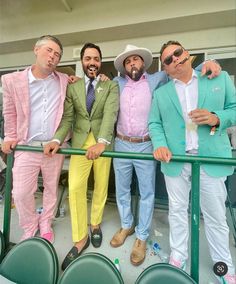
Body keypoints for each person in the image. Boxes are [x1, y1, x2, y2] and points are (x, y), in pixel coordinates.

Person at [110, 44, 222, 266]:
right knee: (121, 190)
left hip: (145, 144)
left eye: (136, 60)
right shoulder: (116, 83)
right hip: (121, 144)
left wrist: (210, 64)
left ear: (144, 63)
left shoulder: (157, 79)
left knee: (147, 192)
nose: (133, 63)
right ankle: (126, 225)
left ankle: (141, 236)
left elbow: (182, 69)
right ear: (124, 67)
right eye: (128, 61)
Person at [148, 40, 236, 283]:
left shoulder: (218, 77)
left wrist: (217, 117)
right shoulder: (161, 93)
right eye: (168, 59)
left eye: (177, 53)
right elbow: (154, 123)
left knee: (216, 215)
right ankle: (178, 254)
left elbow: (234, 109)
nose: (175, 59)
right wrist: (160, 144)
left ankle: (224, 265)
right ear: (165, 68)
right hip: (176, 161)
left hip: (210, 158)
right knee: (177, 211)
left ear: (187, 54)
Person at [44, 42, 119, 270]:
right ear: (82, 62)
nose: (92, 63)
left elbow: (110, 114)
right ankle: (80, 238)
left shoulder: (111, 85)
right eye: (88, 59)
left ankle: (95, 224)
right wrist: (57, 139)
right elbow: (68, 118)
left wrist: (102, 142)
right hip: (79, 142)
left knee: (101, 187)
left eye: (96, 59)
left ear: (100, 61)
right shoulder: (73, 86)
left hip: (102, 144)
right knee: (75, 188)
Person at [1, 35, 68, 243]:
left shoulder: (64, 80)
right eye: (49, 50)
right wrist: (10, 136)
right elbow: (9, 112)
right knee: (20, 192)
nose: (53, 57)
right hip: (26, 146)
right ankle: (30, 226)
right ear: (36, 50)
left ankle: (46, 222)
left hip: (53, 147)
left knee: (51, 188)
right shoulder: (11, 80)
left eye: (57, 54)